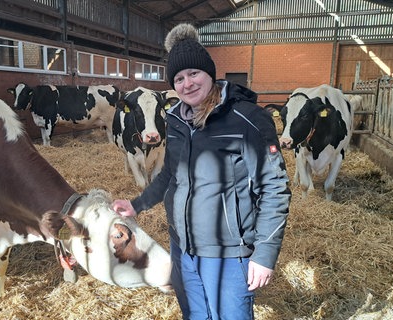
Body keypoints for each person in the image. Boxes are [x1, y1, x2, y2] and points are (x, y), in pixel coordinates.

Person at [112, 23, 291, 320]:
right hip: (183, 248)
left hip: (229, 252)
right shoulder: (177, 121)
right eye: (179, 78)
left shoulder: (247, 119)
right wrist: (136, 204)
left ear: (210, 73)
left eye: (194, 73)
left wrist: (264, 254)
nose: (187, 84)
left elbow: (275, 188)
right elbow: (170, 173)